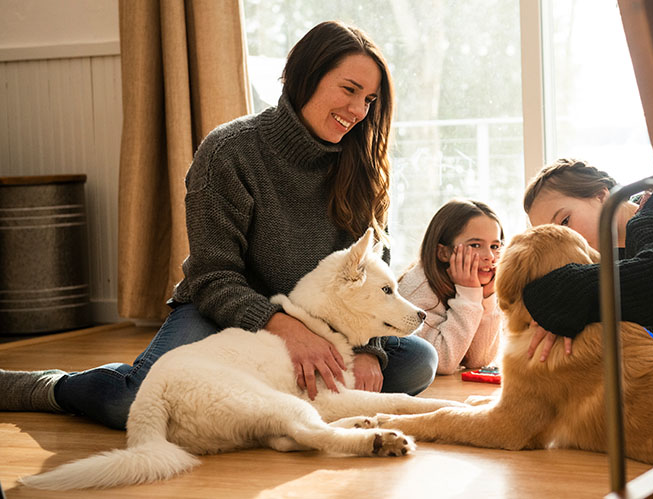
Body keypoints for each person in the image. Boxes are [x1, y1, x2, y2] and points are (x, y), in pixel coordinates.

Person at [0, 21, 438, 430]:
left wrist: (368, 350)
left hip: (325, 325)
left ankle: (271, 398)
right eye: (349, 89)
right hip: (223, 311)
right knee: (133, 404)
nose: (358, 110)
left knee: (417, 361)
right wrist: (285, 328)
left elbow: (373, 274)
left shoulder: (364, 167)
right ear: (306, 76)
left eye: (369, 100)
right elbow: (212, 277)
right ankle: (49, 387)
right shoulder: (229, 151)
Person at [521, 158, 653, 360]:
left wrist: (567, 294)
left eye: (565, 221)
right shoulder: (611, 259)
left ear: (601, 196)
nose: (564, 240)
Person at [397, 199, 504, 374]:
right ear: (444, 253)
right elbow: (441, 362)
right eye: (475, 245)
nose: (490, 256)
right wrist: (469, 296)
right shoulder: (419, 289)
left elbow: (480, 359)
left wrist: (486, 298)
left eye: (495, 246)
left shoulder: (471, 287)